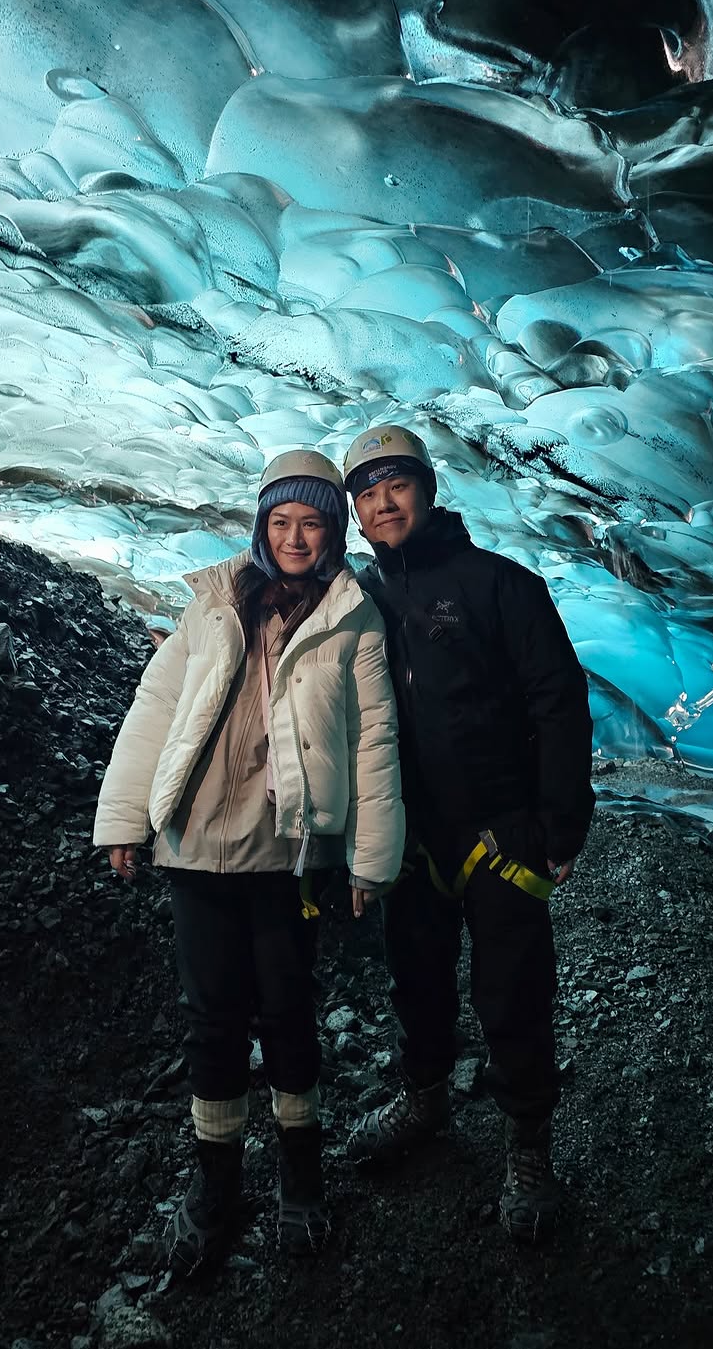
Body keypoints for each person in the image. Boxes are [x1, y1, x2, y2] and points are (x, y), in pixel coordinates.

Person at [93, 449, 404, 1275]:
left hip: (288, 851)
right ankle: (217, 1188)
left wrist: (370, 859)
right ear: (261, 524)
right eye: (282, 520)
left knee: (290, 1011)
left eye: (312, 522)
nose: (296, 536)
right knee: (213, 1017)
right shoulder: (213, 599)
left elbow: (375, 741)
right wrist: (126, 817)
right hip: (195, 842)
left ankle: (300, 1179)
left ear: (332, 530)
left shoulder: (352, 616)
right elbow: (156, 706)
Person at [340, 425, 595, 1245]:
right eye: (367, 490)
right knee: (414, 976)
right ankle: (426, 1093)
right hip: (409, 831)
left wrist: (561, 819)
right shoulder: (359, 599)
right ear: (354, 510)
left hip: (501, 830)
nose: (384, 502)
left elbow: (557, 696)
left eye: (397, 484)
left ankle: (528, 1143)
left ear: (428, 489)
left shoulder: (499, 586)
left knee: (514, 987)